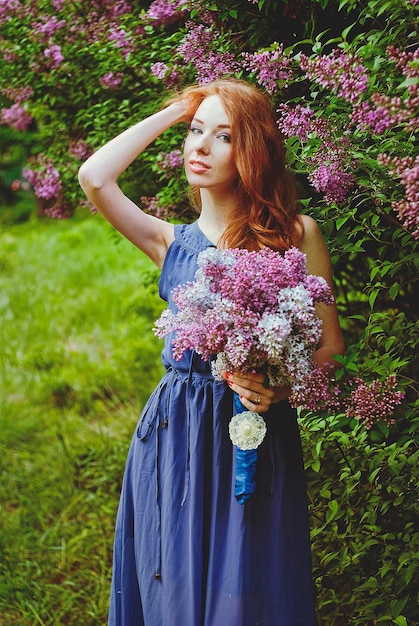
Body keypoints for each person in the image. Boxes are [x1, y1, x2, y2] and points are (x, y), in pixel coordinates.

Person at [78, 78, 345, 626]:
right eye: (196, 133)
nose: (199, 146)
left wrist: (276, 385)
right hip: (177, 434)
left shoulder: (296, 235)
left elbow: (329, 352)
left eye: (223, 136)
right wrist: (178, 111)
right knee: (171, 576)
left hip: (255, 430)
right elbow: (95, 177)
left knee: (247, 581)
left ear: (253, 150)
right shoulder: (169, 242)